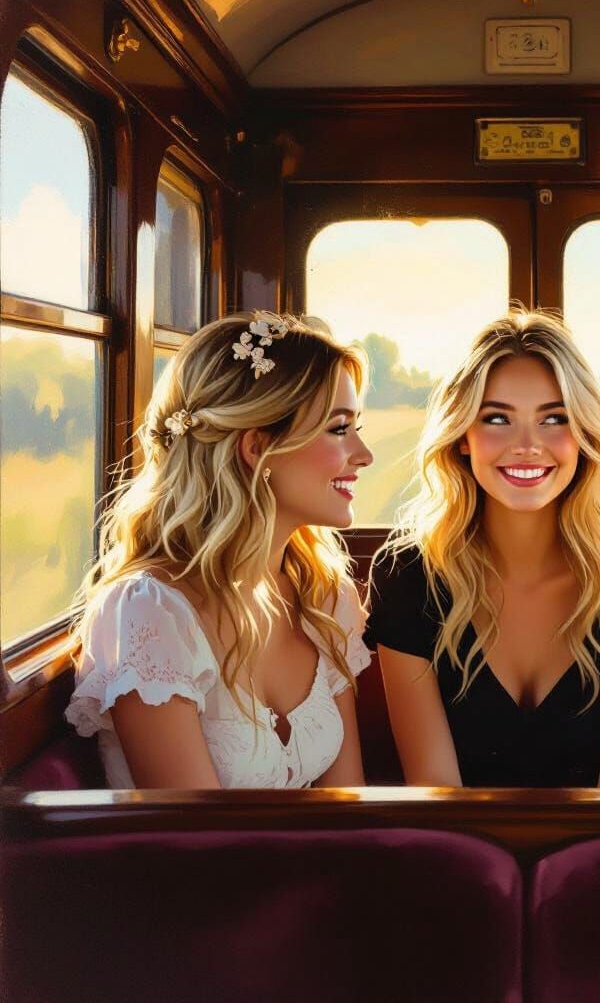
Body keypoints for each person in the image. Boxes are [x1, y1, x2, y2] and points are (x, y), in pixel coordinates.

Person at [66, 312, 374, 788]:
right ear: (257, 447)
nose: (363, 454)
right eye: (339, 428)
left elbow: (346, 810)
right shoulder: (151, 613)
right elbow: (196, 843)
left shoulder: (324, 599)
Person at [364, 310, 600, 787]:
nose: (527, 445)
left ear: (585, 436)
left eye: (554, 418)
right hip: (462, 854)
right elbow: (436, 793)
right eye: (497, 419)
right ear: (463, 437)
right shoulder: (407, 575)